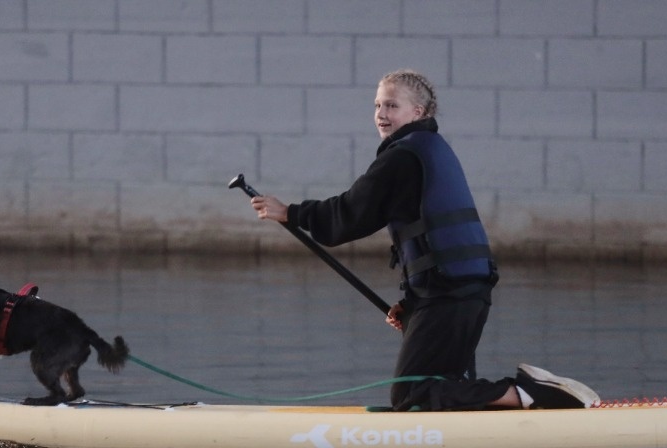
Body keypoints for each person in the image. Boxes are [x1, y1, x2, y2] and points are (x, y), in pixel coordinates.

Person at [248, 69, 599, 411]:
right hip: (460, 289)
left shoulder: (402, 156)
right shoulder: (430, 148)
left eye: (391, 106)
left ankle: (529, 392)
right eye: (377, 106)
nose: (381, 115)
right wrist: (413, 304)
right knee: (447, 385)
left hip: (449, 293)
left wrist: (291, 213)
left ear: (418, 111)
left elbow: (351, 213)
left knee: (412, 394)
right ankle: (521, 411)